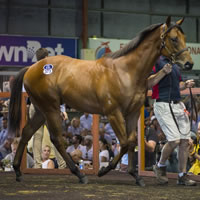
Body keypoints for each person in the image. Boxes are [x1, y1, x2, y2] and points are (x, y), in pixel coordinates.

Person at [148, 55, 196, 186]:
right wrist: (163, 71)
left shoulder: (174, 63)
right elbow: (148, 83)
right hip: (162, 104)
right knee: (175, 140)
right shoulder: (155, 61)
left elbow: (178, 84)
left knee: (185, 141)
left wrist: (185, 84)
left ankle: (182, 176)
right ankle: (160, 165)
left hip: (178, 104)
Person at [29, 48, 67, 169]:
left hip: (34, 104)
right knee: (55, 135)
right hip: (48, 103)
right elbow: (56, 89)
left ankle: (37, 164)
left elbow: (25, 92)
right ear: (46, 57)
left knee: (37, 135)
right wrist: (62, 108)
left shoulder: (31, 70)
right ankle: (62, 164)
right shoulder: (49, 68)